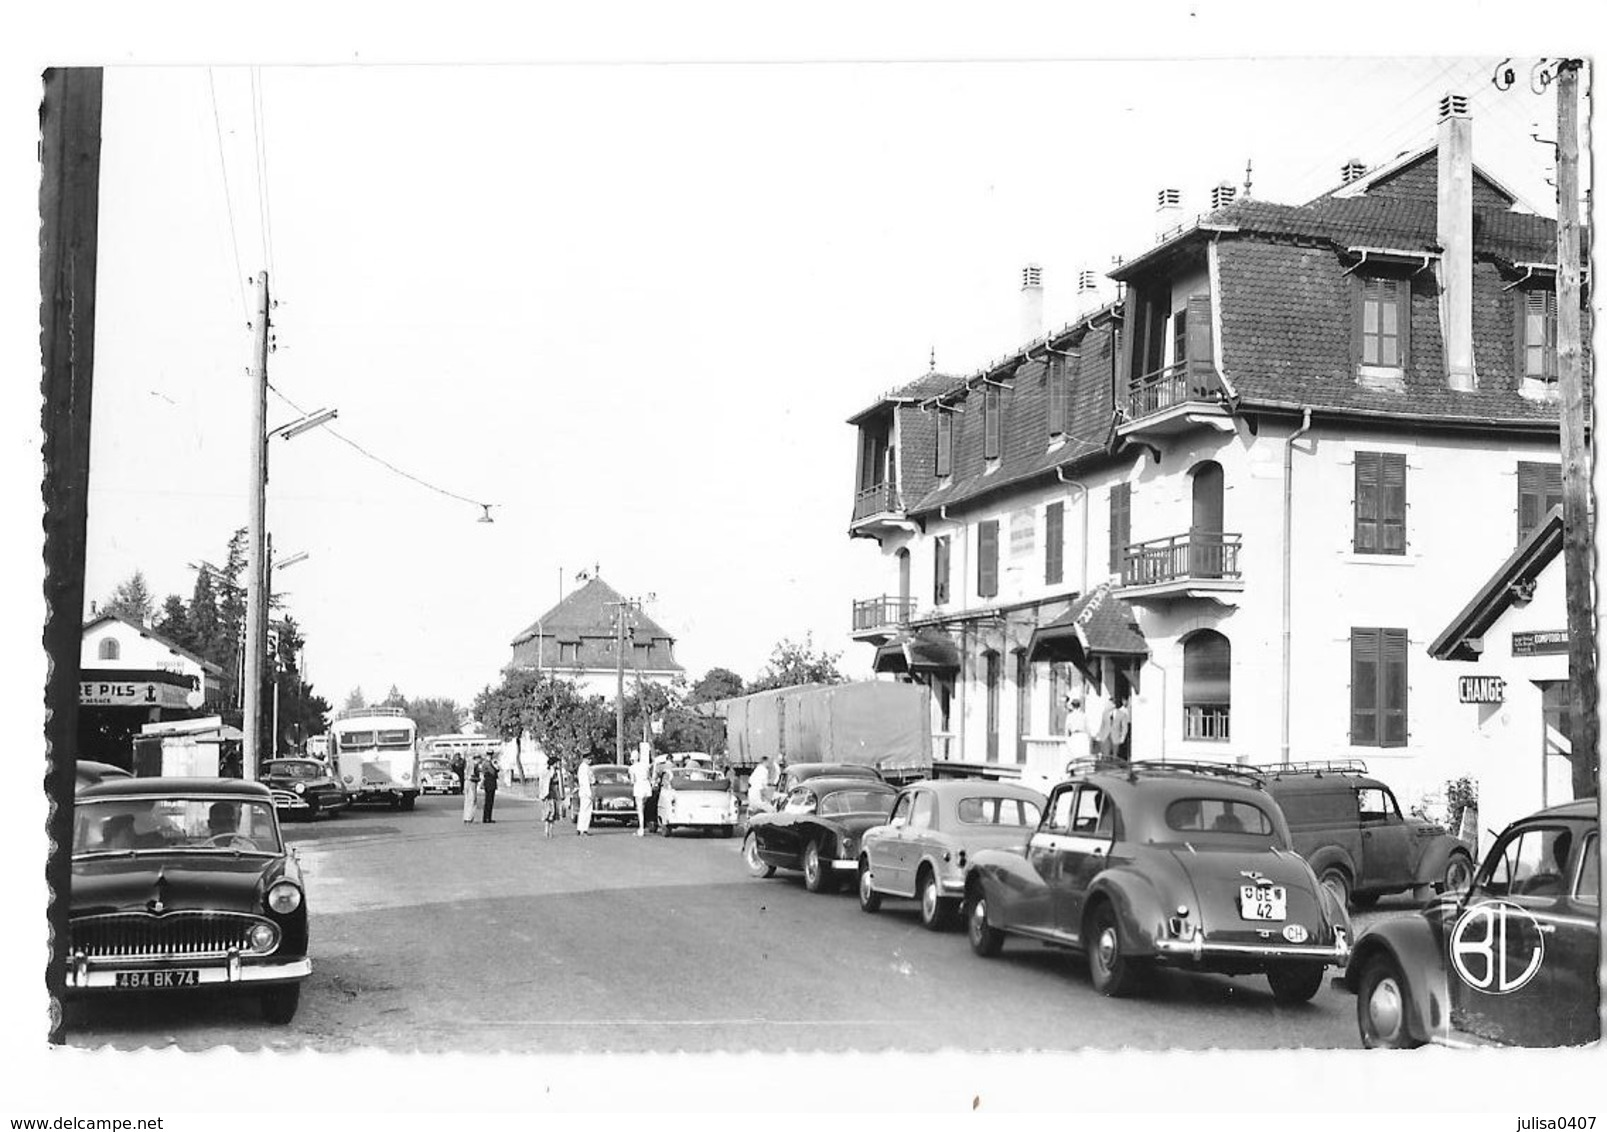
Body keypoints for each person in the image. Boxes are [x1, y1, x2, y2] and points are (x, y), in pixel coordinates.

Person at [1064, 695, 1091, 767]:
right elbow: (1087, 728)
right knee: (1082, 754)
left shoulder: (1070, 716)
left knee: (1075, 754)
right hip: (1082, 736)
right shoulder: (1083, 715)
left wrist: (1067, 739)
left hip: (1075, 736)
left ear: (1072, 706)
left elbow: (1067, 728)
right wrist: (1088, 738)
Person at [630, 750, 651, 836]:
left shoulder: (632, 768)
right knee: (644, 807)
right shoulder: (645, 766)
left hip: (639, 787)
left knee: (640, 809)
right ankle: (644, 826)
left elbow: (632, 781)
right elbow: (648, 776)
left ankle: (641, 828)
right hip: (646, 786)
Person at [540, 762, 562, 839]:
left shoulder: (558, 772)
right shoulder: (546, 772)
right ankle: (546, 831)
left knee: (554, 813)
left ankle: (551, 831)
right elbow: (544, 782)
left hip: (555, 794)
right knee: (548, 813)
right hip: (548, 794)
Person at [1106, 695, 1132, 761]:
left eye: (1109, 704)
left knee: (1115, 755)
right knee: (1107, 756)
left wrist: (1122, 737)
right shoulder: (1106, 714)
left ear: (1113, 704)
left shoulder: (1121, 714)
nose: (1108, 705)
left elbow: (1124, 727)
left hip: (1116, 737)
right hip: (1107, 738)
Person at [576, 754, 595, 835]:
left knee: (583, 810)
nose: (590, 760)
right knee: (586, 811)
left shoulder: (584, 767)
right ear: (585, 759)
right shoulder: (584, 768)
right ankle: (583, 829)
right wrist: (589, 793)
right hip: (586, 791)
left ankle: (581, 828)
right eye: (589, 759)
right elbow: (585, 782)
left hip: (584, 791)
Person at [481, 751, 500, 823]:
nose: (491, 757)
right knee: (488, 801)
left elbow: (497, 770)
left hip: (491, 783)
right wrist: (495, 766)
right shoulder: (487, 763)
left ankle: (488, 817)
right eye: (490, 755)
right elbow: (493, 771)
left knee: (490, 801)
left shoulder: (490, 763)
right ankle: (486, 818)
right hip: (489, 783)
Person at [462, 754, 481, 823]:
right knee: (472, 800)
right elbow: (471, 776)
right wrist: (478, 779)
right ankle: (469, 818)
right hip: (471, 783)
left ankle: (466, 817)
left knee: (467, 801)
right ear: (477, 759)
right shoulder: (474, 765)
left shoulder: (469, 764)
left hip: (467, 783)